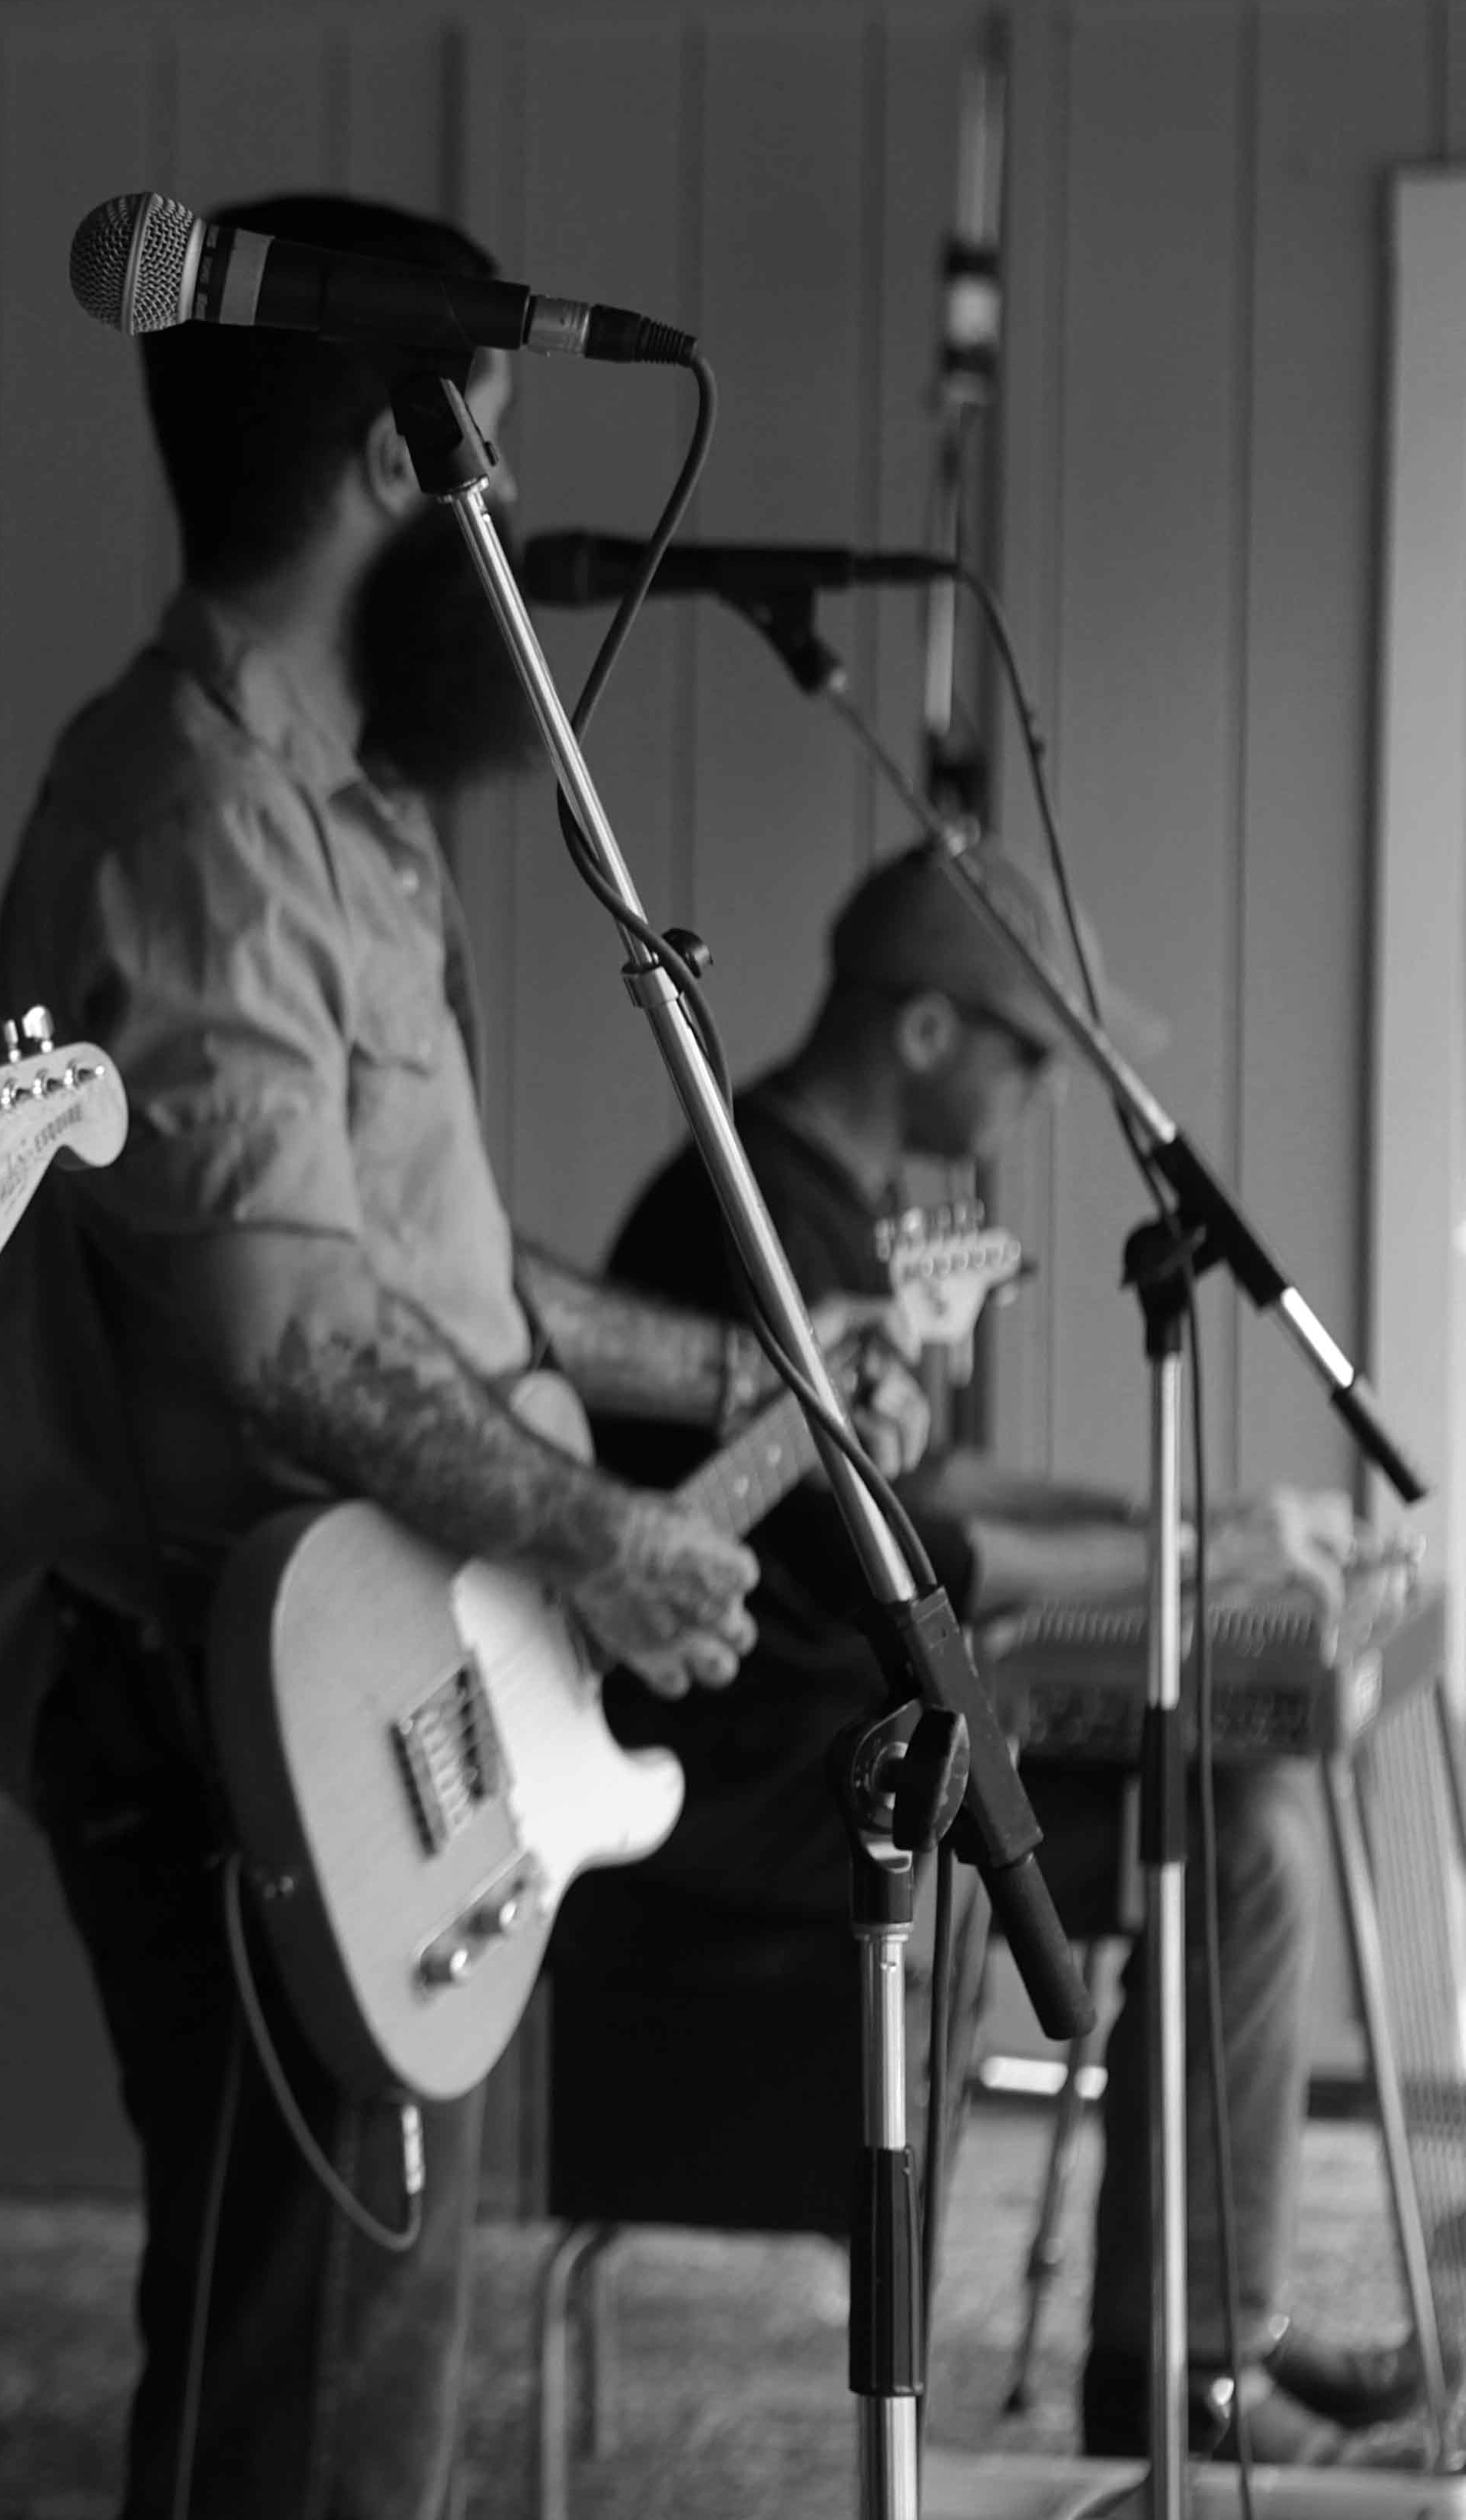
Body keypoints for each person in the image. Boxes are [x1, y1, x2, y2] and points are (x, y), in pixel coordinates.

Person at [0, 191, 925, 2520]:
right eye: (487, 447)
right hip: (225, 1698)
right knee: (301, 2387)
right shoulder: (196, 813)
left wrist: (744, 1371)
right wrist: (605, 1538)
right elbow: (283, 1340)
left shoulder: (345, 810)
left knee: (362, 2357)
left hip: (355, 1665)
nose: (509, 511)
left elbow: (434, 1275)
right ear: (400, 463)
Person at [583, 841, 1412, 2464]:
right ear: (925, 1031)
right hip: (763, 1783)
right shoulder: (746, 1217)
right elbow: (912, 1555)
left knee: (1237, 1817)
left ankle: (1198, 2349)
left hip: (854, 1746)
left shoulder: (826, 1199)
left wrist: (1190, 1516)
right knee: (1241, 1842)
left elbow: (938, 1486)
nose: (1040, 1098)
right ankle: (1183, 2371)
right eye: (1028, 1057)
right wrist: (1195, 1553)